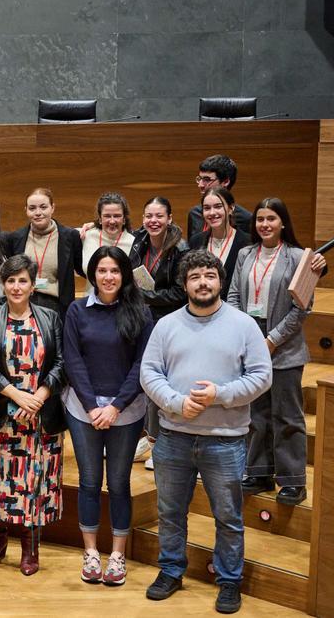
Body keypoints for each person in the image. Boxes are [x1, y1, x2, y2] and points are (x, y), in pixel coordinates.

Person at [140, 249, 272, 614]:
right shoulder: (166, 325)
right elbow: (149, 374)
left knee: (228, 517)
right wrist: (176, 403)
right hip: (174, 437)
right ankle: (170, 571)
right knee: (170, 512)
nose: (203, 282)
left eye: (209, 276)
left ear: (220, 281)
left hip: (226, 441)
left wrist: (220, 395)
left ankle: (229, 581)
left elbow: (262, 377)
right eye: (195, 277)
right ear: (185, 284)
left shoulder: (244, 325)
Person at [62, 247, 153, 586]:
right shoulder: (76, 310)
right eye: (102, 270)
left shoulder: (140, 312)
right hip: (83, 410)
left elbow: (141, 365)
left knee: (118, 483)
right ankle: (90, 553)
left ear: (124, 274)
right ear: (92, 274)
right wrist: (91, 407)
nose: (108, 277)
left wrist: (114, 407)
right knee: (88, 481)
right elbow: (73, 361)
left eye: (115, 270)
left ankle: (117, 555)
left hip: (125, 412)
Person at [0, 254, 67, 577]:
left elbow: (61, 363)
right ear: (3, 285)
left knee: (34, 482)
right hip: (2, 413)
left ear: (33, 284)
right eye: (11, 281)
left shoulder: (49, 316)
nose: (17, 287)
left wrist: (40, 397)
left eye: (22, 281)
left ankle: (30, 548)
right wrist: (16, 396)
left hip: (39, 417)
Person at [229, 198, 321, 507]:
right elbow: (233, 295)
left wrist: (272, 339)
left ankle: (293, 480)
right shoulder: (245, 254)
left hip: (285, 346)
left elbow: (302, 308)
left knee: (288, 416)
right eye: (260, 219)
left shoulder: (298, 257)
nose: (265, 224)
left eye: (271, 218)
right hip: (249, 336)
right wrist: (243, 332)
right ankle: (258, 472)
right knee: (257, 414)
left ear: (283, 222)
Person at [128, 197, 189, 469]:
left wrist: (145, 295)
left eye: (159, 216)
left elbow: (179, 293)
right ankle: (149, 436)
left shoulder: (180, 249)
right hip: (142, 319)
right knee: (143, 380)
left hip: (167, 322)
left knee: (159, 381)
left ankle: (159, 440)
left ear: (170, 218)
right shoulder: (139, 242)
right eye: (148, 215)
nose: (153, 221)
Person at [2, 187, 83, 316]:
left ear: (53, 208)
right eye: (32, 208)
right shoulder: (15, 238)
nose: (38, 212)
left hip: (57, 307)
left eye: (43, 207)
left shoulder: (70, 236)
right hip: (23, 305)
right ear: (26, 210)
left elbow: (83, 269)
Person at [188, 187, 250, 299]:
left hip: (234, 311)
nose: (212, 213)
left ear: (231, 208)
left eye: (218, 206)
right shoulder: (196, 241)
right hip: (202, 308)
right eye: (207, 208)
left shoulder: (247, 243)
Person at [187, 154, 253, 240]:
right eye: (200, 179)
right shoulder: (194, 213)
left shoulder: (246, 219)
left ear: (225, 182)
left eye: (206, 179)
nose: (200, 185)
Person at [80, 192, 135, 279]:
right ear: (100, 219)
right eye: (107, 216)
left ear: (124, 219)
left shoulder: (134, 244)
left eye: (117, 216)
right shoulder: (85, 235)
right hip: (91, 292)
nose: (112, 221)